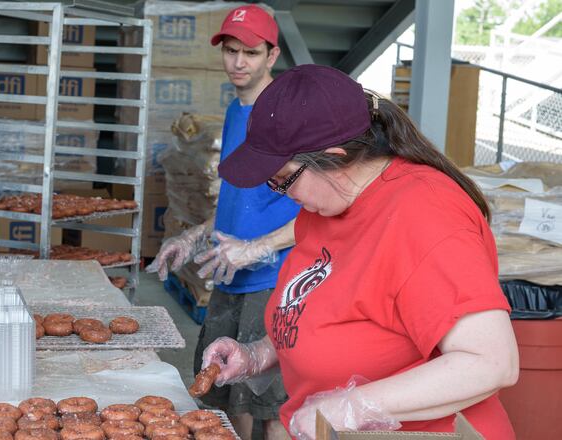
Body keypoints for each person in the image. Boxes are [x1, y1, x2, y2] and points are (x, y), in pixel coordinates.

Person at [201, 64, 520, 440]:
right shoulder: (326, 206)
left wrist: (348, 407)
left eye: (283, 179)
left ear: (335, 156)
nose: (281, 194)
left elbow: (490, 362)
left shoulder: (425, 215)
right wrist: (258, 355)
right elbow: (320, 312)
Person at [146, 6, 298, 440]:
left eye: (250, 52)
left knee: (269, 404)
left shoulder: (286, 118)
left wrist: (256, 248)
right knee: (225, 390)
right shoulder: (235, 112)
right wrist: (195, 236)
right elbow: (237, 200)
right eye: (231, 51)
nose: (238, 62)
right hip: (230, 274)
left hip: (273, 278)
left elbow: (319, 212)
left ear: (272, 55)